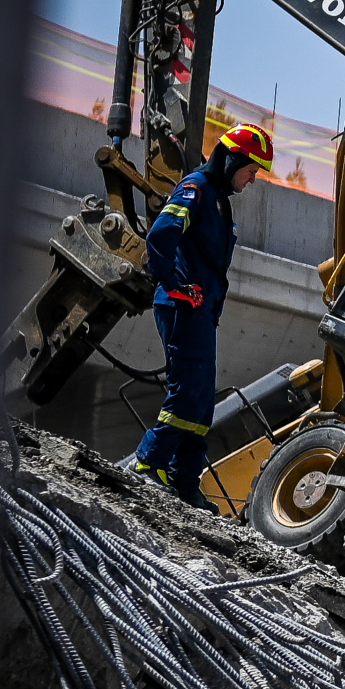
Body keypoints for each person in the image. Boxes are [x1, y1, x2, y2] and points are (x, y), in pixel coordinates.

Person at [130, 123, 271, 511]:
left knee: (201, 398)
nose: (253, 179)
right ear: (232, 161)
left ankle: (184, 481)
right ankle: (148, 462)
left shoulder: (219, 199)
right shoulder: (195, 189)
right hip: (183, 306)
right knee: (187, 389)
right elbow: (161, 235)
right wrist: (174, 283)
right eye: (251, 170)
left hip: (201, 310)